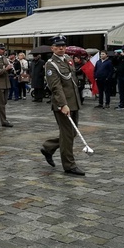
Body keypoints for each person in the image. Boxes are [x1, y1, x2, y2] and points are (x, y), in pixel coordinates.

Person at [40, 34, 85, 176]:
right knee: (67, 134)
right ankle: (69, 165)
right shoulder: (50, 64)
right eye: (58, 46)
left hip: (74, 102)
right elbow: (55, 87)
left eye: (63, 46)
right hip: (63, 104)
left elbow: (72, 81)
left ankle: (48, 147)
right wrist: (63, 104)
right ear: (52, 48)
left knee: (72, 133)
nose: (61, 48)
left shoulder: (68, 59)